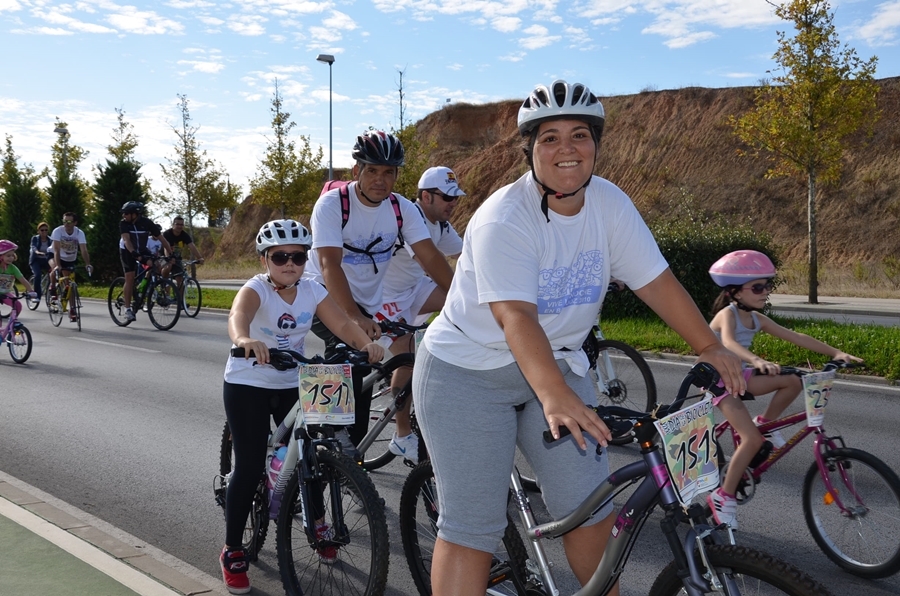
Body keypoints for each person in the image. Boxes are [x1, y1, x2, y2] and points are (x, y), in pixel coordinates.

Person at [412, 79, 745, 596]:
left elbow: (656, 282)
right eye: (549, 138)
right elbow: (516, 317)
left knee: (590, 514)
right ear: (530, 150)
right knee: (473, 528)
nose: (566, 148)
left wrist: (709, 345)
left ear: (596, 144)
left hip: (559, 364)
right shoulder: (505, 218)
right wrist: (555, 395)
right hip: (467, 373)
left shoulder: (610, 205)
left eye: (579, 135)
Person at [220, 219, 384, 595]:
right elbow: (237, 317)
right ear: (265, 259)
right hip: (250, 379)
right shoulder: (255, 288)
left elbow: (341, 323)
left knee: (316, 455)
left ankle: (320, 524)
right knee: (247, 467)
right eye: (280, 257)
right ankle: (232, 549)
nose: (290, 263)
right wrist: (245, 339)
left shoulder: (311, 288)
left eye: (298, 256)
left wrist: (364, 344)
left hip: (296, 378)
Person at [305, 130, 454, 460]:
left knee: (362, 382)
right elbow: (330, 266)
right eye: (372, 170)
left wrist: (461, 297)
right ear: (356, 170)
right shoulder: (332, 205)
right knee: (344, 359)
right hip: (322, 296)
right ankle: (313, 448)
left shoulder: (401, 209)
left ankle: (346, 464)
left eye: (389, 172)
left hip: (368, 302)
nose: (380, 179)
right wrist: (354, 317)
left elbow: (430, 257)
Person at [705, 249, 862, 529]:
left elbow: (796, 336)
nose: (765, 291)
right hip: (719, 380)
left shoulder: (756, 318)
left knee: (793, 379)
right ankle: (723, 497)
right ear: (734, 292)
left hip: (741, 375)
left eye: (767, 286)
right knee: (752, 440)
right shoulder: (726, 315)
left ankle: (767, 423)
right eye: (757, 287)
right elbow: (728, 343)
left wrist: (837, 352)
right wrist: (756, 360)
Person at [373, 165, 465, 461]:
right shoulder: (409, 218)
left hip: (413, 291)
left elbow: (465, 257)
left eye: (456, 198)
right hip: (383, 299)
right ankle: (401, 436)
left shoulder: (441, 224)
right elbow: (432, 265)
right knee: (407, 361)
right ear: (426, 197)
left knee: (469, 297)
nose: (453, 203)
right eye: (448, 197)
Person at [119, 201, 171, 323]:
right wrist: (133, 253)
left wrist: (171, 253)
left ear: (135, 214)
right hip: (127, 250)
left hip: (142, 249)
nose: (124, 216)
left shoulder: (146, 223)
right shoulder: (123, 224)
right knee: (130, 278)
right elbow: (126, 240)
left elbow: (162, 239)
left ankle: (147, 288)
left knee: (157, 264)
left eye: (126, 213)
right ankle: (127, 310)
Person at [48, 213, 93, 321]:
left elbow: (83, 250)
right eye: (64, 221)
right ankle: (53, 287)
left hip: (69, 259)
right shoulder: (58, 231)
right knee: (54, 268)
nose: (66, 224)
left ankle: (72, 309)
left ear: (75, 223)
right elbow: (57, 250)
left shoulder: (79, 233)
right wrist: (58, 265)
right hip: (54, 255)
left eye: (69, 222)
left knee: (70, 285)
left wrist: (88, 264)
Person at [162, 215, 204, 282]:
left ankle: (180, 292)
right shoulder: (167, 234)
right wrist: (169, 258)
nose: (179, 226)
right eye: (177, 224)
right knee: (168, 268)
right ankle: (163, 282)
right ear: (173, 224)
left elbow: (192, 246)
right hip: (164, 257)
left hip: (177, 259)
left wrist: (199, 257)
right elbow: (166, 248)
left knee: (180, 278)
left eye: (181, 225)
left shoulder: (184, 235)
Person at [0, 240, 36, 316]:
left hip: (5, 293)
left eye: (12, 255)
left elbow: (22, 280)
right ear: (1, 256)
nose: (11, 258)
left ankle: (12, 323)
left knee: (17, 305)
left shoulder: (13, 268)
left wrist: (31, 291)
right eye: (8, 256)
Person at [29, 222, 52, 300]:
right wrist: (38, 252)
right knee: (38, 275)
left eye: (46, 230)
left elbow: (54, 248)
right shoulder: (35, 238)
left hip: (46, 260)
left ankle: (50, 292)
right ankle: (36, 295)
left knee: (53, 273)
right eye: (42, 230)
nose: (44, 232)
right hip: (36, 260)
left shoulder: (50, 239)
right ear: (38, 231)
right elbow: (33, 247)